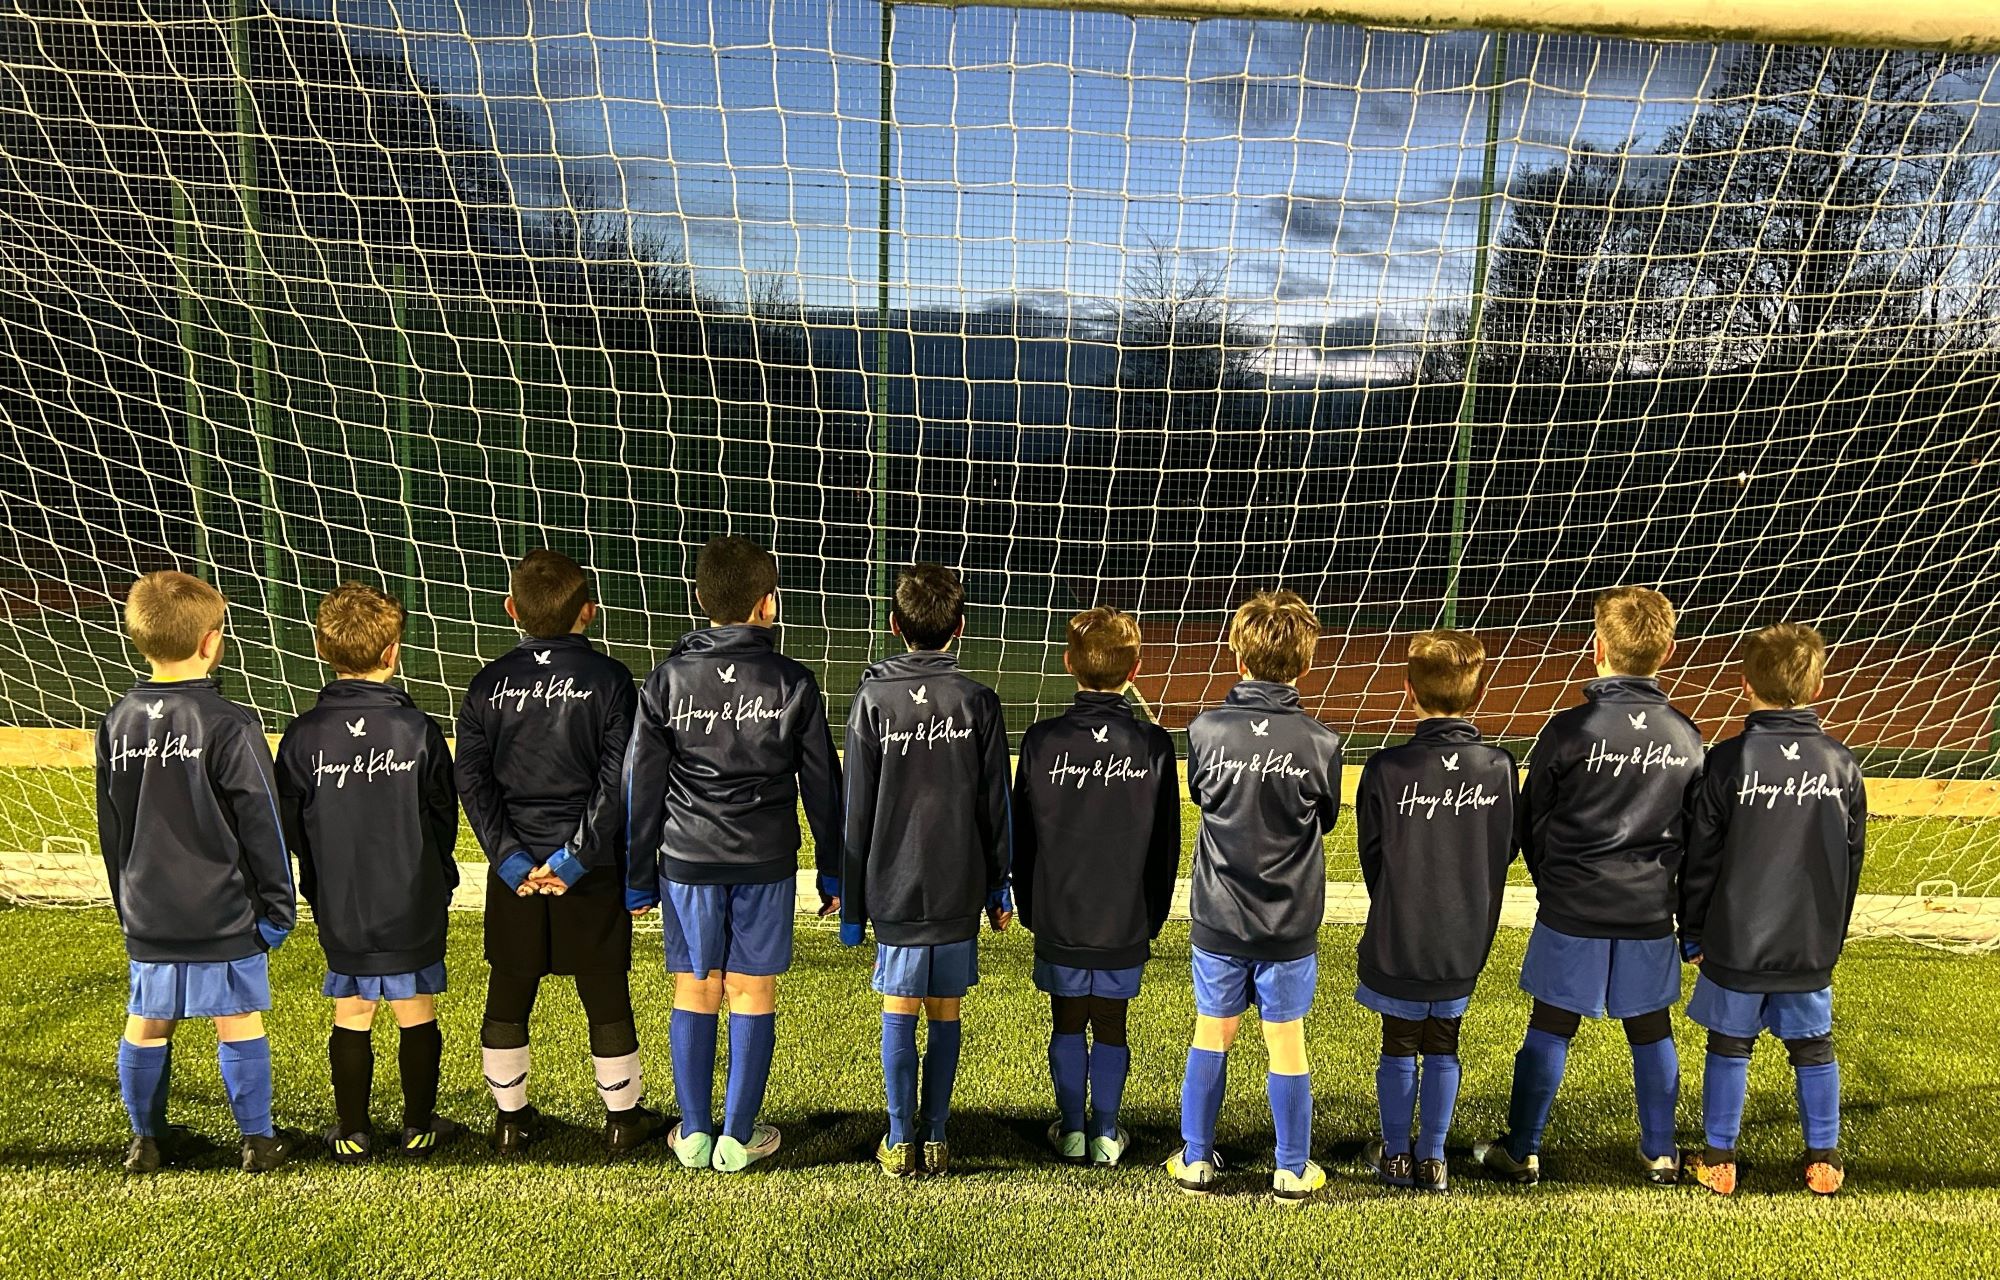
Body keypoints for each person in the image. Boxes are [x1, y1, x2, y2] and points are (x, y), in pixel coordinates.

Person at [625, 535, 842, 1172]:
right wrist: (833, 869)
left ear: (699, 599)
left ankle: (693, 1133)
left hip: (687, 861)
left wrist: (639, 877)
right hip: (765, 862)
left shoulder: (667, 680)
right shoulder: (793, 682)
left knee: (695, 986)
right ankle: (738, 1136)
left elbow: (641, 784)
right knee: (751, 991)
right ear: (768, 605)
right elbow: (822, 785)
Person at [1475, 586, 1703, 1187]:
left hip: (1572, 907)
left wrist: (1556, 882)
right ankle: (1660, 1154)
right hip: (1650, 909)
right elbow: (1698, 833)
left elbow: (1533, 820)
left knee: (1550, 1025)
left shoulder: (1569, 730)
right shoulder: (1687, 737)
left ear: (1596, 648)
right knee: (1652, 1028)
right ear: (1669, 651)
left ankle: (1521, 1150)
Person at [455, 549, 658, 1156]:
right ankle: (623, 1119)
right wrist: (574, 858)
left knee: (510, 985)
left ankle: (510, 1120)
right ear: (589, 613)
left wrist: (513, 859)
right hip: (589, 872)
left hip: (514, 870)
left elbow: (473, 780)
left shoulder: (489, 681)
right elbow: (619, 777)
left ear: (511, 609)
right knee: (604, 986)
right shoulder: (612, 680)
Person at [98, 570, 298, 1174]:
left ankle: (147, 1142)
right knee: (236, 1018)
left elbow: (112, 830)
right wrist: (278, 908)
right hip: (223, 909)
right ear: (212, 643)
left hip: (149, 910)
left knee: (147, 1020)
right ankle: (258, 1143)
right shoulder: (228, 724)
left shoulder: (117, 721)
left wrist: (125, 902)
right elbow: (262, 821)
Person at [1680, 623, 1866, 1197]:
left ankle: (1719, 1159)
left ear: (1744, 684)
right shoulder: (1842, 765)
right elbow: (1852, 862)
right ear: (1818, 683)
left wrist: (1692, 930)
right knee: (1813, 1045)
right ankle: (1824, 1160)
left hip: (1735, 937)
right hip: (1809, 940)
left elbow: (1701, 856)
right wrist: (1831, 935)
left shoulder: (1729, 761)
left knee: (1729, 1044)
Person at [1169, 590, 1343, 1203]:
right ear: (1305, 661)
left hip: (1219, 917)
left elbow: (1204, 797)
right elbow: (1324, 818)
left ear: (1238, 655)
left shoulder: (1206, 729)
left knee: (1212, 1031)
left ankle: (1195, 1159)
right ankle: (1292, 1168)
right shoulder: (1320, 741)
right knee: (1286, 1040)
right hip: (1289, 923)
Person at [277, 582, 460, 1162]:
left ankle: (352, 1131)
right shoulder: (419, 731)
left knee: (352, 1008)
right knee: (415, 1008)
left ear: (322, 649)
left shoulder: (303, 737)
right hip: (412, 898)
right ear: (393, 652)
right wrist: (436, 875)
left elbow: (290, 825)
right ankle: (418, 1126)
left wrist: (316, 879)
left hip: (343, 899)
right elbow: (442, 818)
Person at [840, 563, 1012, 1178]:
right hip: (960, 885)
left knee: (898, 1007)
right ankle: (936, 1136)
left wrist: (853, 906)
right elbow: (998, 804)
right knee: (945, 1010)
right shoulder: (977, 700)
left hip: (892, 887)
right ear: (960, 629)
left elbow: (856, 807)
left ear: (894, 626)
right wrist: (999, 885)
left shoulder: (872, 699)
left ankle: (898, 1137)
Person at [1013, 606, 1180, 1168]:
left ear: (1068, 664)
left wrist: (1029, 906)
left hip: (1059, 911)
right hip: (1125, 915)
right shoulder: (1154, 746)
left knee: (1066, 1018)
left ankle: (1072, 1132)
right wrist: (1152, 914)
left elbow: (1022, 838)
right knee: (1110, 1020)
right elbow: (1166, 846)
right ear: (1135, 669)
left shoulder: (1039, 742)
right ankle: (1106, 1134)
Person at [1354, 629, 1516, 1194]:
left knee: (1398, 1041)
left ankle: (1397, 1156)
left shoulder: (1385, 768)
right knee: (1445, 1039)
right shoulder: (1499, 767)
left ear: (1408, 690)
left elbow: (1371, 858)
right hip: (1463, 934)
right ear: (1477, 690)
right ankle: (1434, 1158)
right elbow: (1505, 848)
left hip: (1401, 930)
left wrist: (1401, 901)